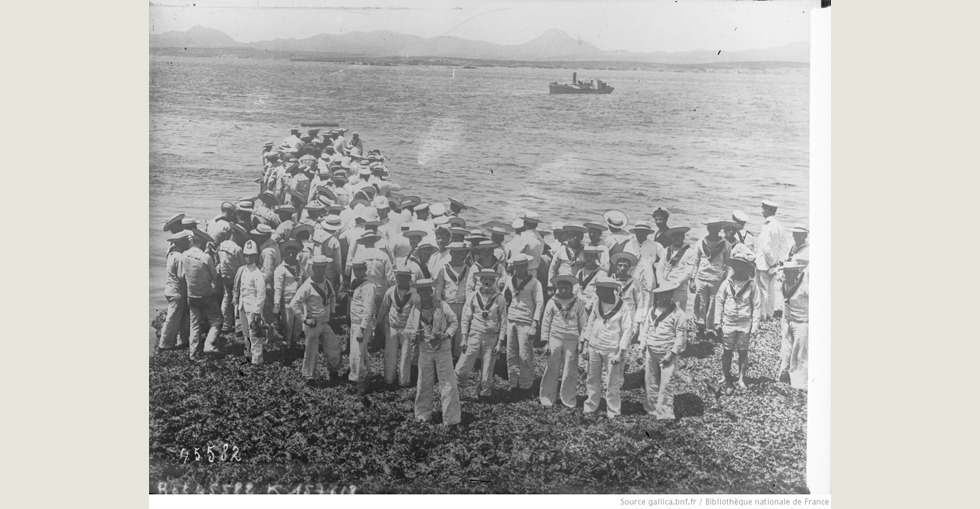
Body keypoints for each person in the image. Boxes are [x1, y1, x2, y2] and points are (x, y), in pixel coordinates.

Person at [580, 277, 633, 419]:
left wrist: (621, 353)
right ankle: (591, 406)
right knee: (592, 378)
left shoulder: (623, 307)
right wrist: (585, 345)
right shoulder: (598, 303)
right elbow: (590, 323)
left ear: (610, 290)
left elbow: (628, 330)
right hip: (594, 346)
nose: (596, 292)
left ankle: (613, 412)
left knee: (612, 382)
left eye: (600, 289)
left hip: (612, 349)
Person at [412, 279, 461, 426]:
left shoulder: (442, 305)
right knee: (423, 382)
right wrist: (414, 335)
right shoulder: (415, 309)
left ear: (431, 291)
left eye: (427, 290)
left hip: (443, 349)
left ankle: (451, 418)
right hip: (425, 349)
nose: (424, 293)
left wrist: (447, 334)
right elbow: (409, 328)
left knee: (448, 383)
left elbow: (454, 321)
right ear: (418, 292)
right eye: (421, 290)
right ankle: (423, 415)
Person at [637, 281, 688, 420]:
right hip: (651, 350)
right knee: (651, 380)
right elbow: (646, 329)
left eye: (666, 294)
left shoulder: (678, 313)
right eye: (660, 294)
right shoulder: (652, 310)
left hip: (667, 352)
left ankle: (664, 413)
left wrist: (672, 354)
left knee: (666, 383)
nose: (663, 297)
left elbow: (681, 336)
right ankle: (652, 407)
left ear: (671, 295)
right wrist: (642, 347)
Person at [290, 255, 342, 384]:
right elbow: (294, 303)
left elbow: (332, 296)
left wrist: (333, 312)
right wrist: (304, 319)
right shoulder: (307, 285)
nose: (321, 271)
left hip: (324, 322)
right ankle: (309, 377)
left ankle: (334, 371)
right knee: (311, 352)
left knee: (334, 347)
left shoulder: (327, 283)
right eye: (318, 268)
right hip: (312, 323)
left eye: (323, 268)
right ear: (313, 268)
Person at [455, 271, 507, 401]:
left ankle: (485, 393)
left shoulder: (500, 298)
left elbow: (503, 321)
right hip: (474, 334)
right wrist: (464, 338)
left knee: (488, 369)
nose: (487, 282)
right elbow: (466, 318)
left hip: (491, 337)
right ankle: (455, 389)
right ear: (481, 280)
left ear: (494, 281)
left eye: (490, 279)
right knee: (463, 365)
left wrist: (500, 342)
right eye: (485, 279)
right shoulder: (473, 296)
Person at [539, 275, 589, 408]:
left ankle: (568, 399)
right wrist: (545, 342)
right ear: (557, 288)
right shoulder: (552, 302)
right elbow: (545, 322)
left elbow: (584, 324)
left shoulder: (578, 303)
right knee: (551, 368)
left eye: (566, 288)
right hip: (555, 338)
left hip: (572, 340)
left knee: (569, 370)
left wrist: (581, 342)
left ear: (571, 288)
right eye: (560, 287)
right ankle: (547, 397)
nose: (563, 290)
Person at [714, 255, 761, 395]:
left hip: (744, 323)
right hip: (728, 321)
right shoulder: (726, 283)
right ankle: (725, 375)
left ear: (746, 268)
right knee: (727, 351)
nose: (738, 268)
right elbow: (719, 301)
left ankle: (741, 378)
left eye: (741, 266)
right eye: (736, 265)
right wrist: (717, 321)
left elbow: (757, 306)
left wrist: (755, 326)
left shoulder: (752, 285)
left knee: (743, 351)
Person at [503, 254, 544, 399]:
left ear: (526, 266)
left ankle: (526, 386)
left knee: (525, 355)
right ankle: (514, 385)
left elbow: (539, 304)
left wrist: (535, 324)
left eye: (521, 266)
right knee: (511, 355)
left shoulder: (535, 283)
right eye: (516, 266)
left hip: (526, 321)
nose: (518, 269)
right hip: (511, 320)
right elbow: (504, 298)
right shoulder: (510, 280)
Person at [181, 229, 223, 361]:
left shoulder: (184, 255)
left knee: (194, 324)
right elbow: (214, 276)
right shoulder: (206, 257)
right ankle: (209, 344)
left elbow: (182, 275)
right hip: (206, 295)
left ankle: (193, 354)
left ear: (193, 241)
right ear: (204, 243)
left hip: (192, 295)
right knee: (217, 320)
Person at [378, 269, 421, 388]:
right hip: (392, 327)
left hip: (407, 329)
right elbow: (384, 308)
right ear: (397, 278)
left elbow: (417, 314)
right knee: (390, 354)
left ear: (409, 279)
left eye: (405, 277)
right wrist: (378, 323)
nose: (402, 280)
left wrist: (415, 331)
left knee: (406, 356)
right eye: (400, 277)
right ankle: (389, 380)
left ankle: (404, 381)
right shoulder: (391, 291)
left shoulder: (414, 294)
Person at [690, 220, 731, 341]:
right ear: (707, 228)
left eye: (716, 228)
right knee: (700, 303)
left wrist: (727, 280)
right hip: (701, 277)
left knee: (714, 305)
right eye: (711, 227)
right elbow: (695, 262)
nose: (713, 230)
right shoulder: (700, 242)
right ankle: (700, 327)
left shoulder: (725, 244)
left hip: (716, 279)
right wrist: (692, 279)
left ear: (719, 229)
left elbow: (728, 264)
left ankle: (711, 329)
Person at [435, 241, 470, 359]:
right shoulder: (444, 269)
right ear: (451, 253)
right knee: (447, 331)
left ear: (464, 253)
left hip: (463, 305)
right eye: (455, 252)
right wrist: (439, 308)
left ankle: (458, 359)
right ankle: (446, 356)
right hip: (448, 305)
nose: (457, 255)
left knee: (461, 332)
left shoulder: (468, 269)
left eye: (460, 253)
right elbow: (438, 289)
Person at [348, 260, 378, 397]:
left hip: (361, 323)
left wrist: (362, 328)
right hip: (355, 322)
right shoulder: (357, 283)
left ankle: (360, 385)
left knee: (357, 355)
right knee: (361, 352)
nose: (357, 272)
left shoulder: (368, 285)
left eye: (360, 269)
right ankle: (367, 379)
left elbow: (368, 309)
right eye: (355, 269)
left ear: (365, 269)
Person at [234, 240, 267, 364]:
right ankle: (248, 355)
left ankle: (257, 359)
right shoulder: (242, 270)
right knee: (246, 332)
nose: (248, 258)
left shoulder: (258, 274)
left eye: (251, 255)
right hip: (243, 305)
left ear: (255, 257)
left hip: (253, 307)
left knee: (255, 334)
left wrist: (258, 312)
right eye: (246, 255)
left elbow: (261, 294)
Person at [777, 260, 809, 389]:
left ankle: (800, 383)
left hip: (802, 323)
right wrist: (783, 323)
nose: (788, 275)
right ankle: (784, 377)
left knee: (800, 352)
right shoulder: (783, 285)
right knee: (786, 350)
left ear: (796, 272)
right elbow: (785, 305)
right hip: (788, 322)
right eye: (786, 272)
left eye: (791, 272)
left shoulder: (804, 286)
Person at [159, 230, 192, 350]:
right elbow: (183, 276)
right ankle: (165, 344)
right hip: (177, 291)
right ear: (181, 242)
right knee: (173, 318)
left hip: (171, 289)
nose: (188, 243)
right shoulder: (179, 257)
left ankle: (182, 340)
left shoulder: (171, 253)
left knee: (182, 315)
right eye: (187, 241)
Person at [755, 200, 787, 321]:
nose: (762, 211)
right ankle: (770, 313)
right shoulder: (779, 225)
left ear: (769, 210)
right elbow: (784, 246)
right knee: (771, 290)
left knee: (763, 291)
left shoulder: (767, 225)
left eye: (763, 208)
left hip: (764, 264)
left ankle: (763, 316)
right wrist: (777, 262)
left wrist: (772, 262)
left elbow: (766, 248)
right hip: (774, 264)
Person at [274, 240, 307, 353]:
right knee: (287, 326)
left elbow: (307, 282)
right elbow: (278, 288)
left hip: (298, 302)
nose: (291, 255)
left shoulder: (301, 268)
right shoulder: (281, 269)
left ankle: (293, 347)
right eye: (289, 253)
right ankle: (285, 351)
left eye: (294, 253)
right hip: (286, 302)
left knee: (297, 326)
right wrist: (276, 304)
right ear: (285, 253)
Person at [657, 227, 696, 312]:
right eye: (674, 236)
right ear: (671, 238)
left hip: (679, 287)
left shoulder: (689, 252)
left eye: (679, 235)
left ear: (683, 237)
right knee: (664, 311)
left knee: (679, 312)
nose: (676, 238)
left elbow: (688, 273)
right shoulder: (667, 250)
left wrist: (675, 283)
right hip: (665, 287)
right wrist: (661, 282)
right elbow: (660, 268)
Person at [217, 224, 248, 334]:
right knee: (237, 299)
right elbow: (243, 265)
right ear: (236, 235)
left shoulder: (221, 245)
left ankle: (225, 324)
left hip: (224, 276)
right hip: (235, 278)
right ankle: (238, 326)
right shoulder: (237, 249)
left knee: (226, 298)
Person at [576, 246, 607, 314]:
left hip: (592, 307)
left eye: (591, 256)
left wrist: (587, 306)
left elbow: (598, 294)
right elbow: (575, 289)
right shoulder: (580, 272)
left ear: (596, 257)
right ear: (584, 257)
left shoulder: (601, 274)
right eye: (586, 256)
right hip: (578, 306)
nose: (589, 258)